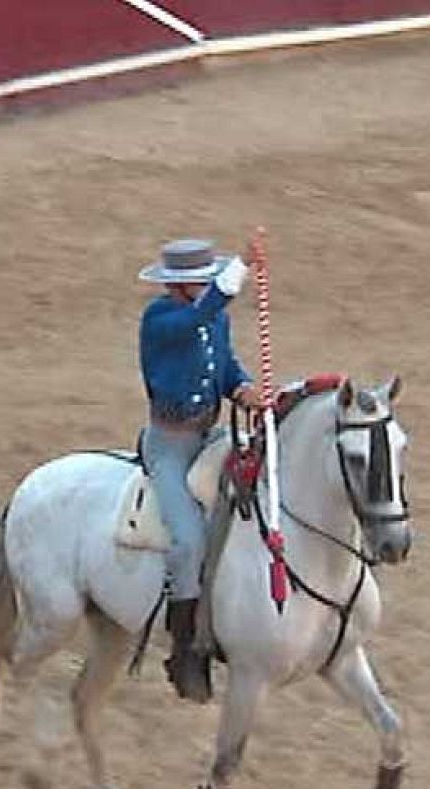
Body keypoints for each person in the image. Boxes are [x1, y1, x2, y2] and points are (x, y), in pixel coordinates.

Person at [137, 238, 261, 702]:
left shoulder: (215, 317)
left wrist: (243, 387)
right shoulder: (161, 319)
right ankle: (185, 651)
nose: (207, 284)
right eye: (201, 279)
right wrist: (242, 269)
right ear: (178, 285)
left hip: (208, 434)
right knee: (188, 541)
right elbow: (197, 320)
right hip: (168, 446)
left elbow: (223, 366)